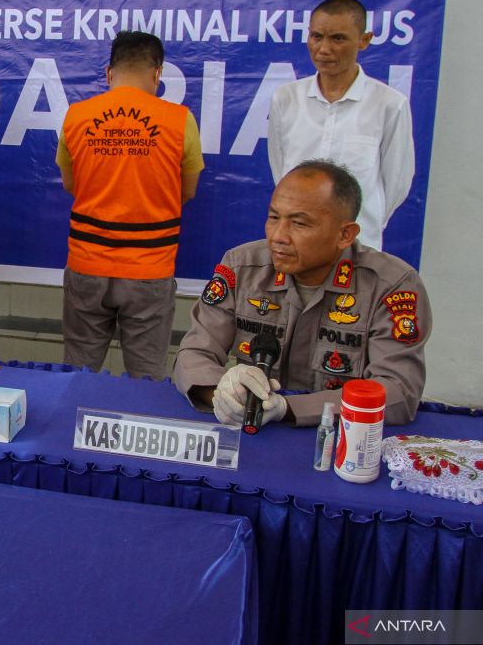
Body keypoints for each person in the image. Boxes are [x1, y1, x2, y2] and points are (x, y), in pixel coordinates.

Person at [174, 160, 430, 427]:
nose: (278, 236)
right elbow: (193, 353)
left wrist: (289, 408)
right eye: (274, 218)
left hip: (339, 439)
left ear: (345, 234)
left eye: (299, 223)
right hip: (250, 430)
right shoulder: (241, 266)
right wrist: (224, 394)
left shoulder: (391, 285)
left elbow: (398, 390)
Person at [57, 31, 204, 380]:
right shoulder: (180, 120)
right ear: (158, 73)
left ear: (109, 72)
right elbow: (188, 191)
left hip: (86, 264)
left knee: (76, 373)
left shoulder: (76, 116)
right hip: (150, 269)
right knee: (146, 379)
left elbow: (70, 184)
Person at [268, 0, 415, 251]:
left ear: (364, 40)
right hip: (295, 245)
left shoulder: (389, 104)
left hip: (359, 245)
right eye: (316, 37)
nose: (324, 49)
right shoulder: (287, 98)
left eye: (338, 38)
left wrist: (365, 224)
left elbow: (396, 183)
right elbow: (281, 170)